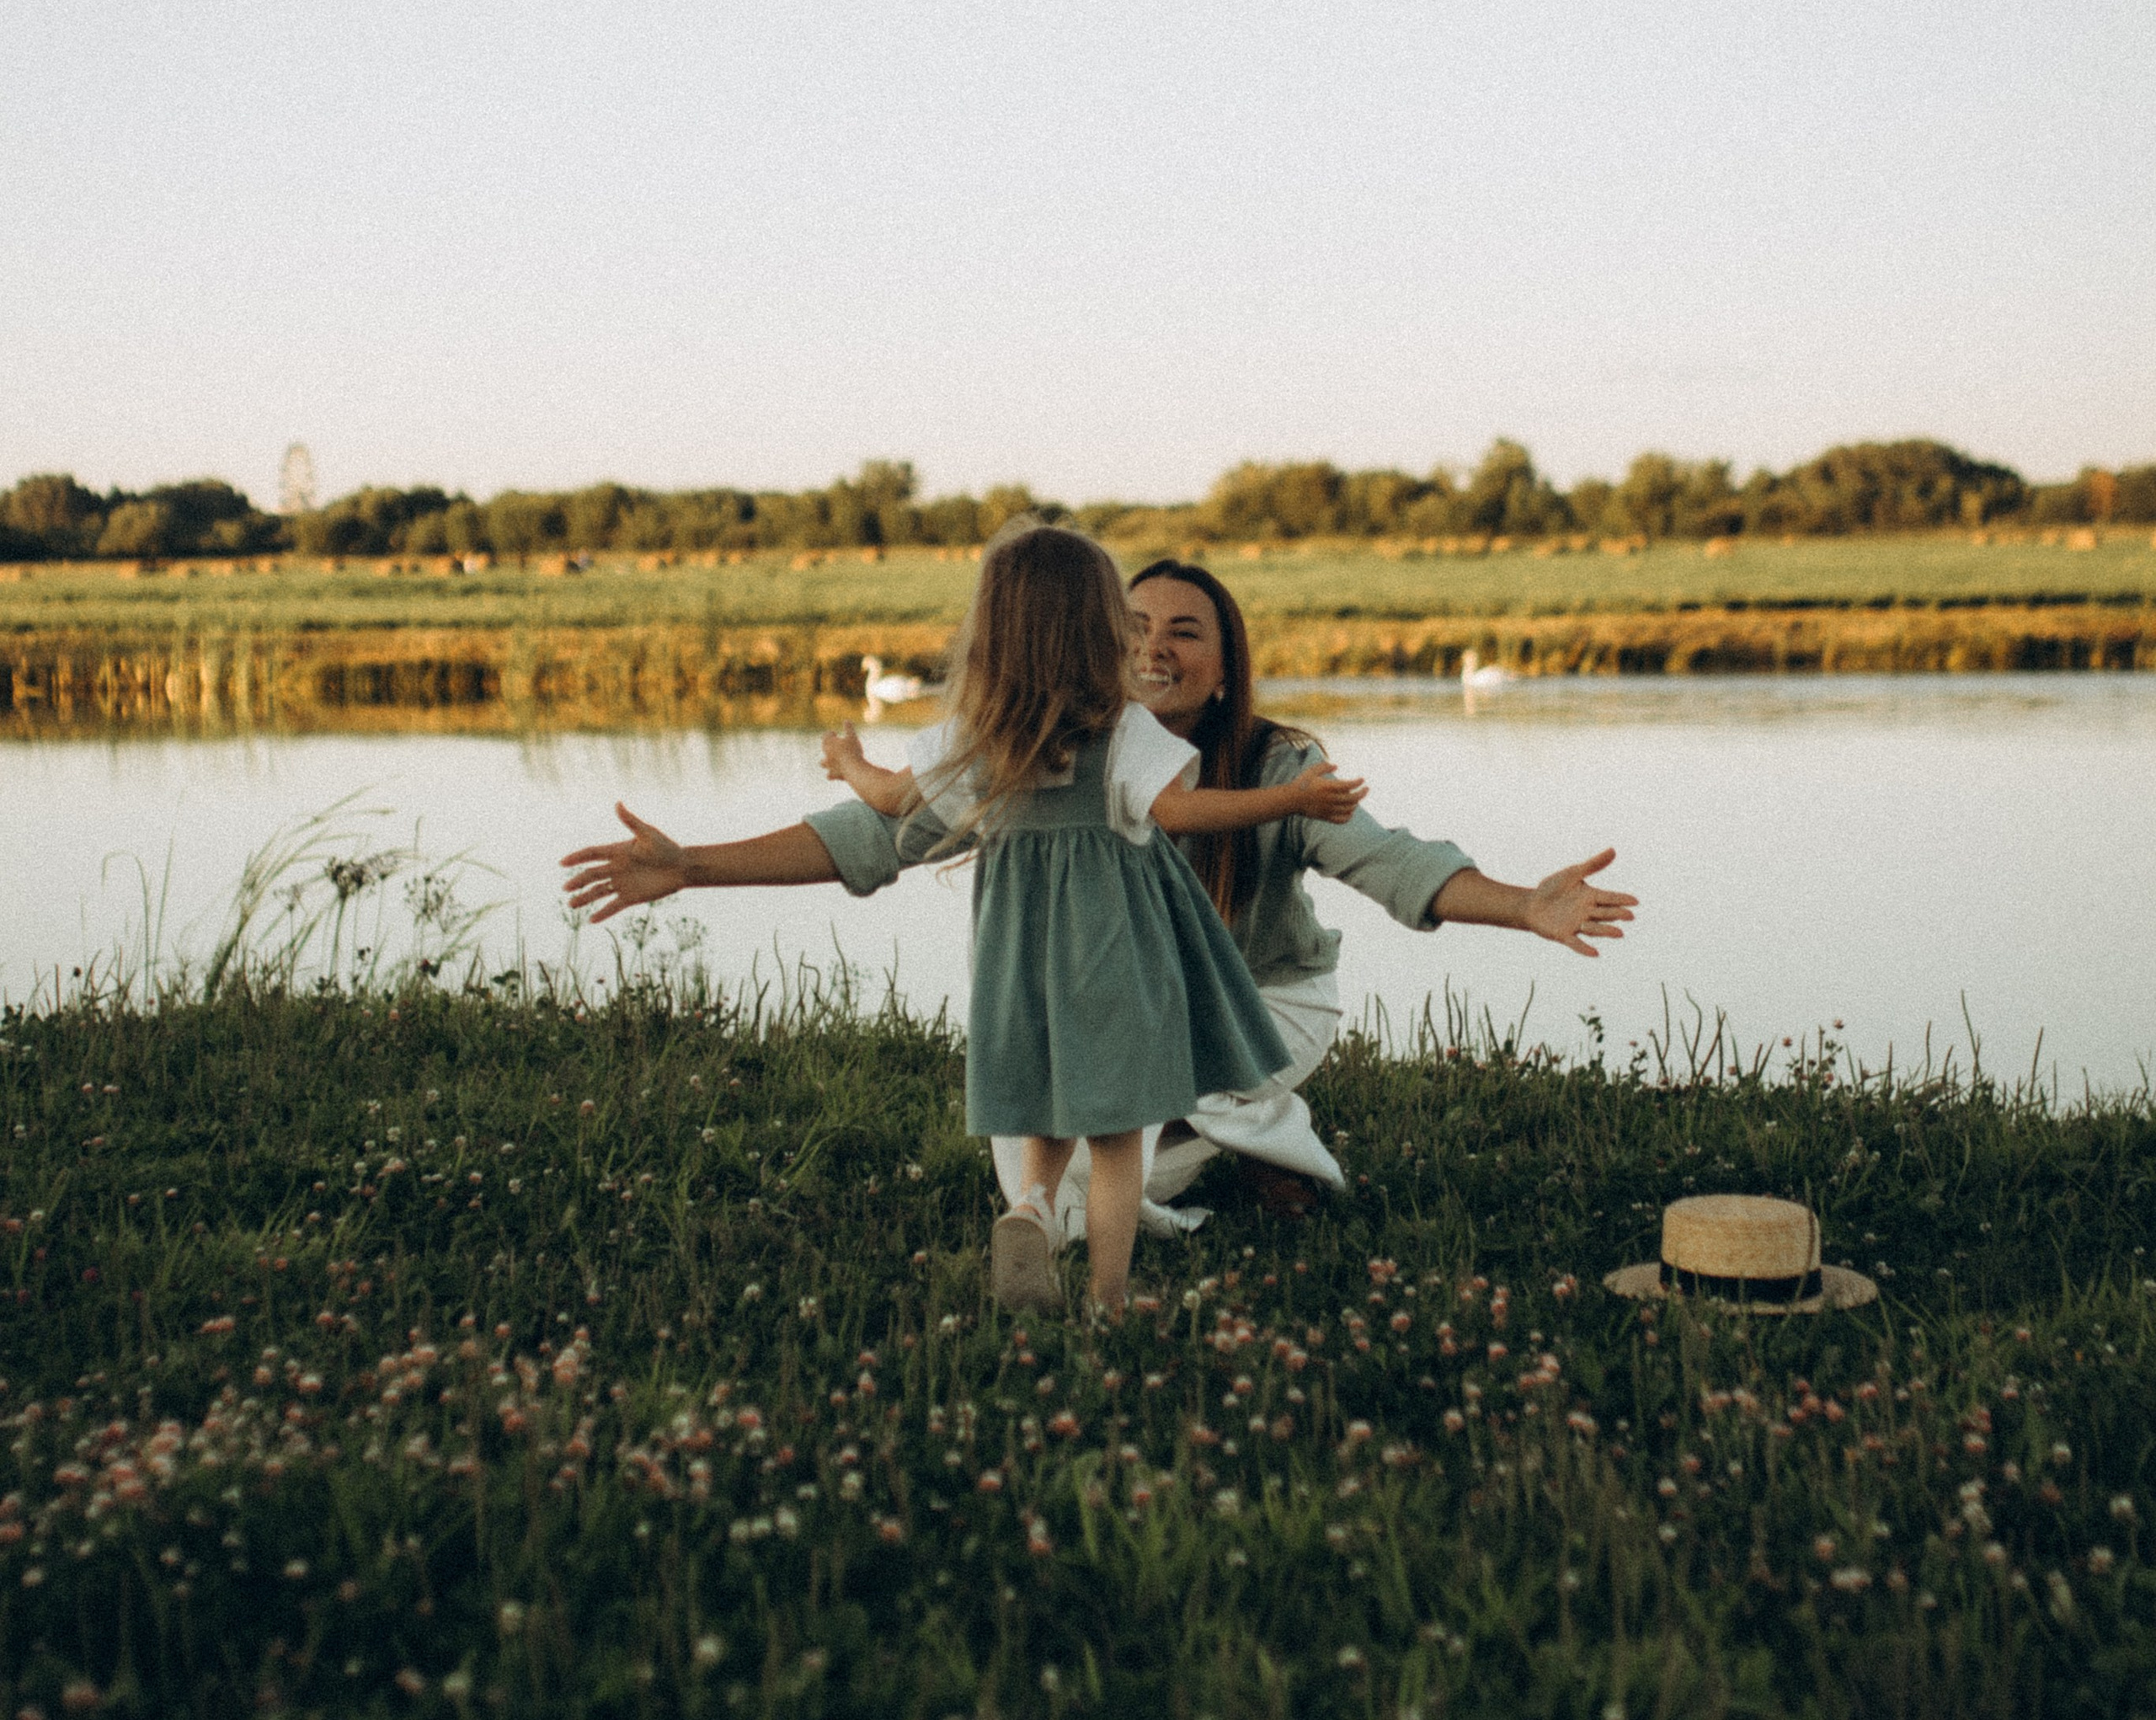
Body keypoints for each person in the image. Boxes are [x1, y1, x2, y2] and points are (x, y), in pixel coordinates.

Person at [562, 521, 1369, 1318]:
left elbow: (885, 803)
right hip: (1114, 960)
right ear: (1103, 633)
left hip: (1018, 967)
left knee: (1051, 1118)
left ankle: (1031, 1212)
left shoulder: (982, 739)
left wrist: (848, 764)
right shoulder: (1126, 732)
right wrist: (1293, 798)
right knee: (1120, 1139)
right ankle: (1110, 1299)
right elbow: (1184, 811)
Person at [813, 555, 1636, 1237]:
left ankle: (1283, 1155)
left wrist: (1523, 903)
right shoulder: (1047, 757)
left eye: (1184, 631)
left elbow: (1387, 860)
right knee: (1038, 1181)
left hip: (1268, 1000)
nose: (1154, 646)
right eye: (1134, 627)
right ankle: (1183, 1184)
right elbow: (883, 834)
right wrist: (693, 865)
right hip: (1134, 1013)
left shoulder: (1273, 767)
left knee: (1179, 1063)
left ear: (1223, 668)